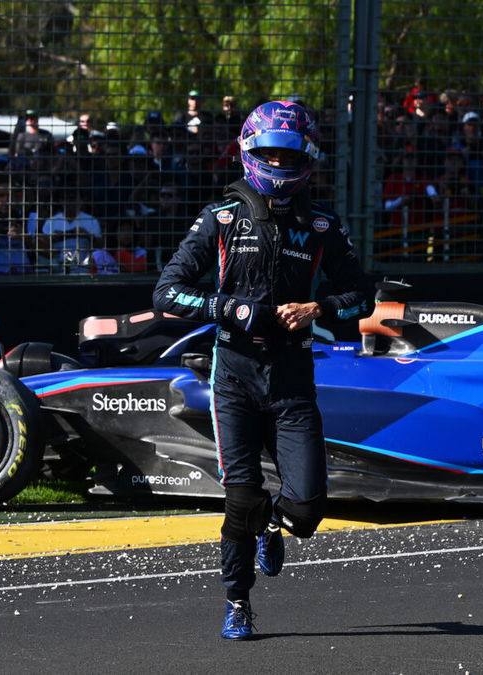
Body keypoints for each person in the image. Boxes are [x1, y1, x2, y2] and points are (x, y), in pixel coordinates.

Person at [152, 100, 370, 641]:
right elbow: (166, 293)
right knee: (241, 497)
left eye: (289, 154)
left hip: (293, 379)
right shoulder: (222, 217)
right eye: (270, 152)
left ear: (308, 159)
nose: (279, 163)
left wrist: (319, 309)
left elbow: (362, 297)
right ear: (250, 152)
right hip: (235, 376)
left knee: (307, 509)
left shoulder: (322, 225)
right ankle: (237, 603)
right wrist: (231, 308)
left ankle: (277, 524)